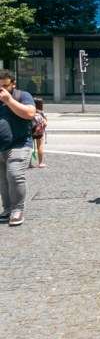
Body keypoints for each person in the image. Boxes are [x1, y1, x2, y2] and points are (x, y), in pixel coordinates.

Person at [0, 70, 37, 227]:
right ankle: (7, 209)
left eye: (4, 86)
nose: (1, 89)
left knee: (14, 175)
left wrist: (9, 101)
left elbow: (29, 113)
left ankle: (17, 210)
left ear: (13, 84)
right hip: (1, 146)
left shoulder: (22, 95)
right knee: (3, 181)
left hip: (20, 143)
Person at [29, 98, 47, 169]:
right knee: (39, 146)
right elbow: (45, 123)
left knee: (29, 147)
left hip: (30, 131)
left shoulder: (30, 111)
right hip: (39, 132)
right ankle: (40, 163)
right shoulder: (42, 112)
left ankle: (29, 163)